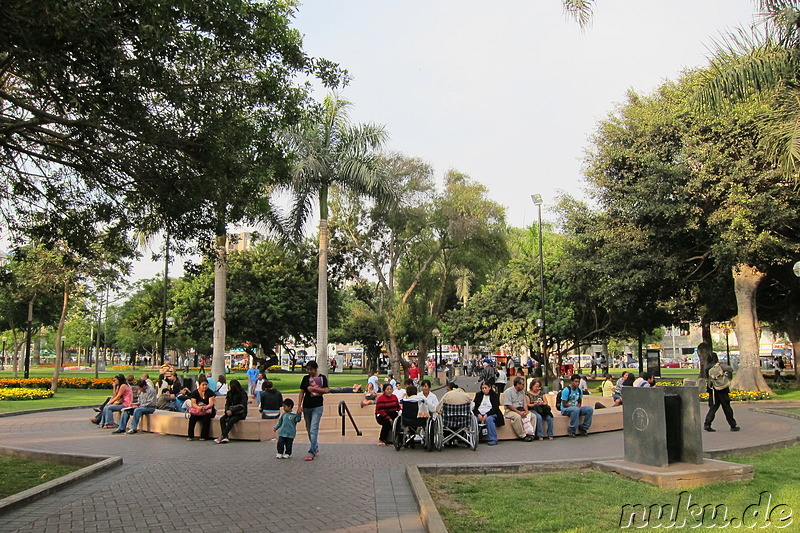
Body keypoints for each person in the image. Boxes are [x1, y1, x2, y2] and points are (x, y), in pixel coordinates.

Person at [296, 360, 329, 461]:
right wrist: (299, 406)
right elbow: (301, 392)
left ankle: (311, 451)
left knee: (313, 429)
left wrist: (314, 390)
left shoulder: (322, 378)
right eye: (308, 369)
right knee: (309, 428)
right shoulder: (305, 378)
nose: (309, 371)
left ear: (315, 369)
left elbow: (327, 390)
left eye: (311, 369)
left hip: (317, 406)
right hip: (307, 406)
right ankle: (315, 447)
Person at [703, 350, 740, 432]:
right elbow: (730, 369)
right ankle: (733, 425)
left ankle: (707, 423)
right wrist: (722, 366)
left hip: (712, 389)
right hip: (722, 389)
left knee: (713, 407)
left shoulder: (707, 368)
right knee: (727, 407)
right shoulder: (720, 366)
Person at [502, 377, 535, 441]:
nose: (523, 386)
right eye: (522, 384)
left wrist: (526, 411)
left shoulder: (522, 392)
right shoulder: (508, 392)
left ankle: (531, 433)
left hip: (521, 409)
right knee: (517, 417)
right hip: (511, 410)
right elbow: (509, 405)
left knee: (533, 416)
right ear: (517, 384)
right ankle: (522, 435)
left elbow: (524, 403)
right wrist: (519, 412)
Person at [215, 379, 247, 443]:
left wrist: (232, 411)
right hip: (230, 412)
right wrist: (227, 410)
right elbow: (227, 403)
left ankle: (222, 436)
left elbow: (242, 405)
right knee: (222, 419)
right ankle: (225, 437)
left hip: (240, 413)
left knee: (231, 420)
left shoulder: (242, 393)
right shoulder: (229, 393)